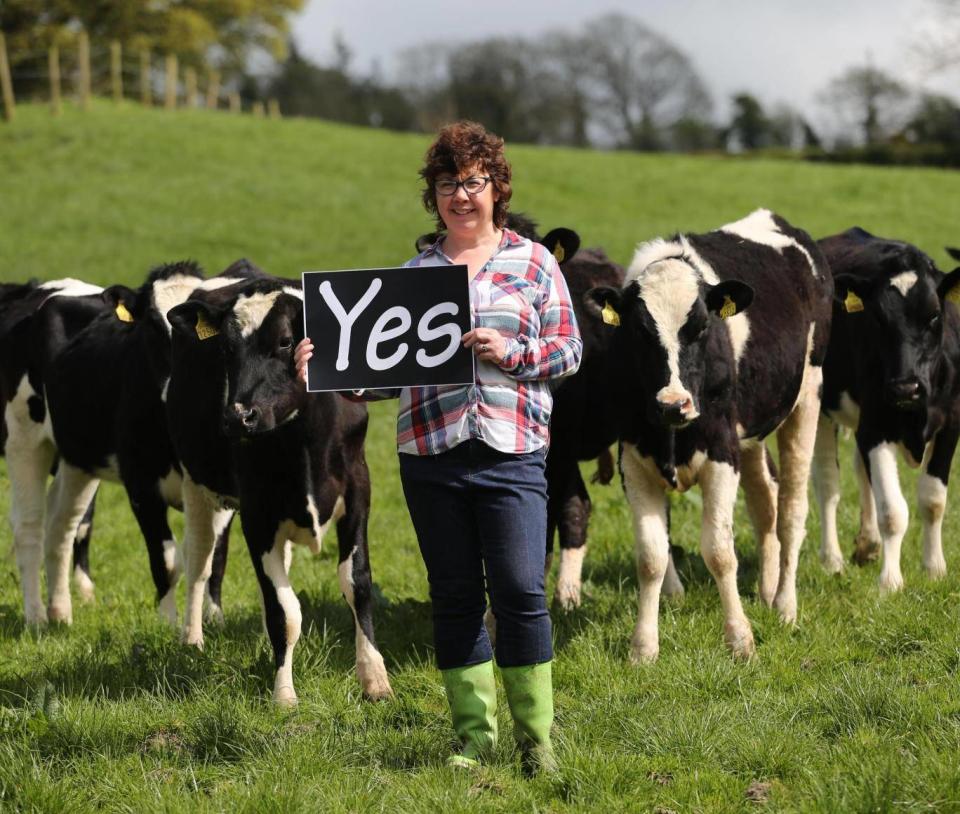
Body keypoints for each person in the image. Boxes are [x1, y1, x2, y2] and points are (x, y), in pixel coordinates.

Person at [295, 120, 582, 774]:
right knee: (453, 595)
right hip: (431, 454)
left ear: (497, 188)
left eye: (474, 183)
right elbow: (384, 377)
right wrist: (327, 371)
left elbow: (569, 352)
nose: (461, 196)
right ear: (436, 194)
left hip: (512, 450)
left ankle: (536, 742)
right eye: (449, 184)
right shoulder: (415, 275)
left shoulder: (534, 263)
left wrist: (512, 352)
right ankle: (475, 742)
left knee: (518, 588)